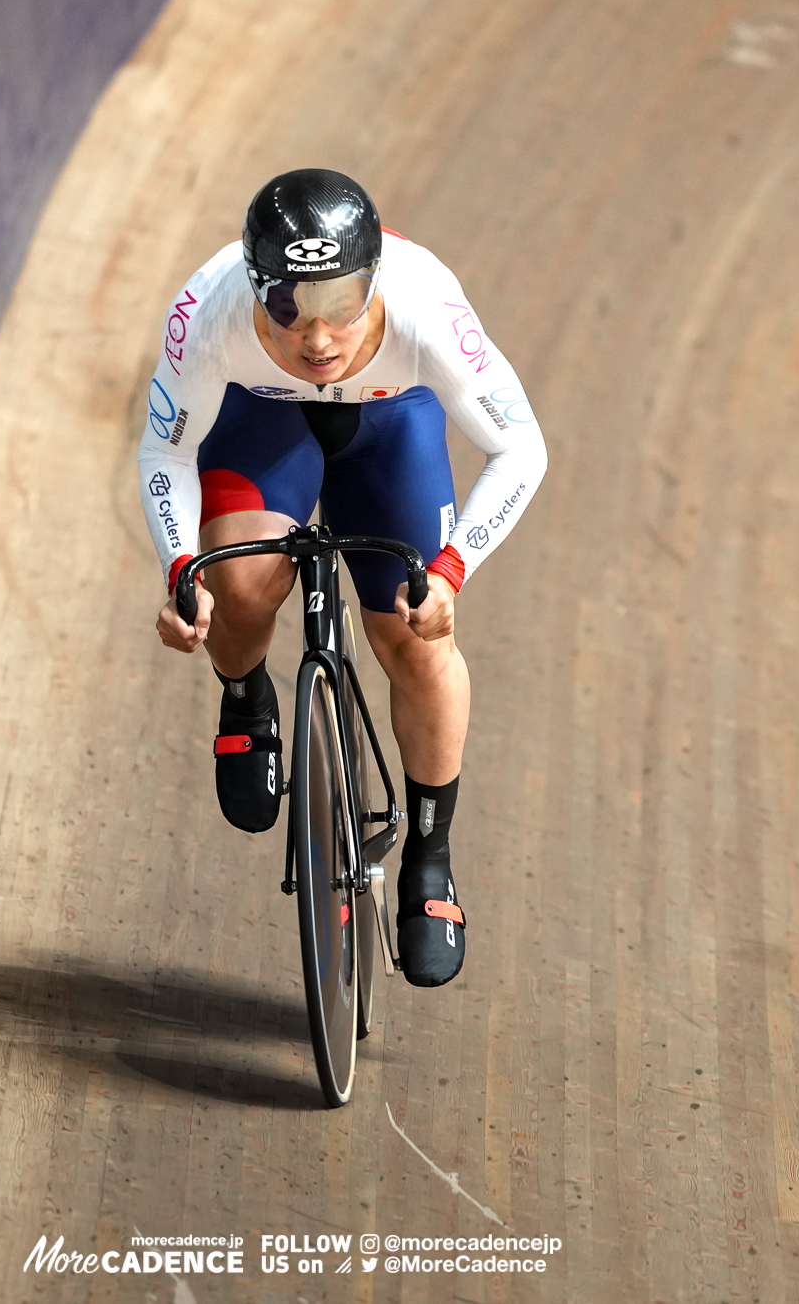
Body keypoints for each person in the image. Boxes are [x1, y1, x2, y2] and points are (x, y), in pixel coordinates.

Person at [139, 169, 547, 988]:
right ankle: (246, 692)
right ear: (255, 288)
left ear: (377, 276)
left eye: (344, 301)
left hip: (387, 429)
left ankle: (429, 858)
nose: (319, 337)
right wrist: (182, 567)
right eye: (289, 308)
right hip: (262, 426)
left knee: (418, 634)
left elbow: (521, 449)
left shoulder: (427, 304)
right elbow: (166, 451)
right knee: (240, 584)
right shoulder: (207, 309)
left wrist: (452, 572)